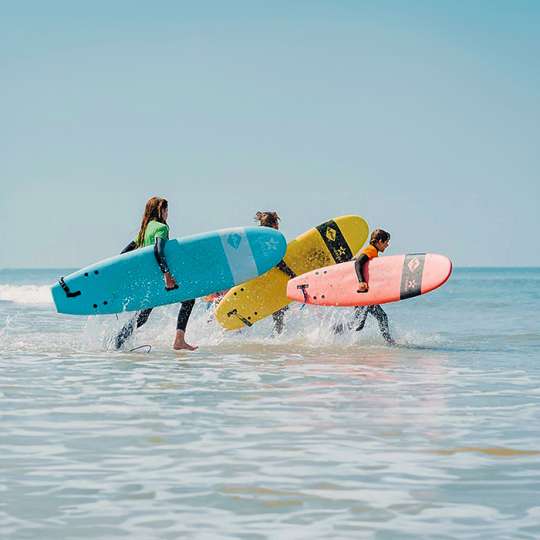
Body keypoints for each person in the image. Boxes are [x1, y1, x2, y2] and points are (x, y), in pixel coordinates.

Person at [115, 197, 197, 351]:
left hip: (149, 281)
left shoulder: (144, 231)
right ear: (161, 210)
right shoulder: (161, 228)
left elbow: (124, 254)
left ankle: (118, 341)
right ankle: (179, 341)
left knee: (142, 317)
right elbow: (158, 250)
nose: (167, 214)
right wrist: (167, 275)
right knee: (189, 300)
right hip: (161, 279)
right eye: (166, 210)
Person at [335, 228, 395, 345]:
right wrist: (361, 282)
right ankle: (334, 330)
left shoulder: (373, 252)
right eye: (386, 242)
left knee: (379, 317)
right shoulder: (371, 250)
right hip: (362, 293)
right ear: (379, 241)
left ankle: (389, 341)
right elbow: (358, 263)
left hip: (366, 294)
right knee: (358, 324)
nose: (387, 245)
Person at [255, 211, 287, 335]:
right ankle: (278, 336)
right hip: (273, 279)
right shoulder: (272, 239)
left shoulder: (259, 240)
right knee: (279, 312)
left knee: (279, 312)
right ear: (273, 224)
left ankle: (277, 336)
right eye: (277, 222)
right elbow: (278, 262)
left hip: (263, 279)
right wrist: (293, 274)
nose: (278, 225)